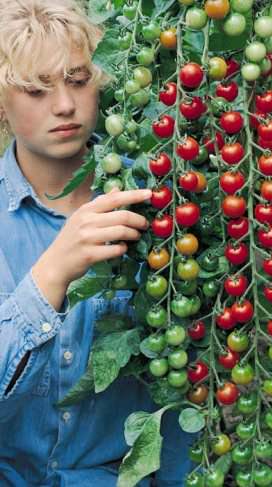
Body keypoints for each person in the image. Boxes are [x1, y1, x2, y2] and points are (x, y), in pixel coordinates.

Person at [0, 1, 194, 486]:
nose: (64, 105)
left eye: (78, 79)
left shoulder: (159, 204)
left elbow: (183, 395)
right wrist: (50, 276)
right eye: (35, 89)